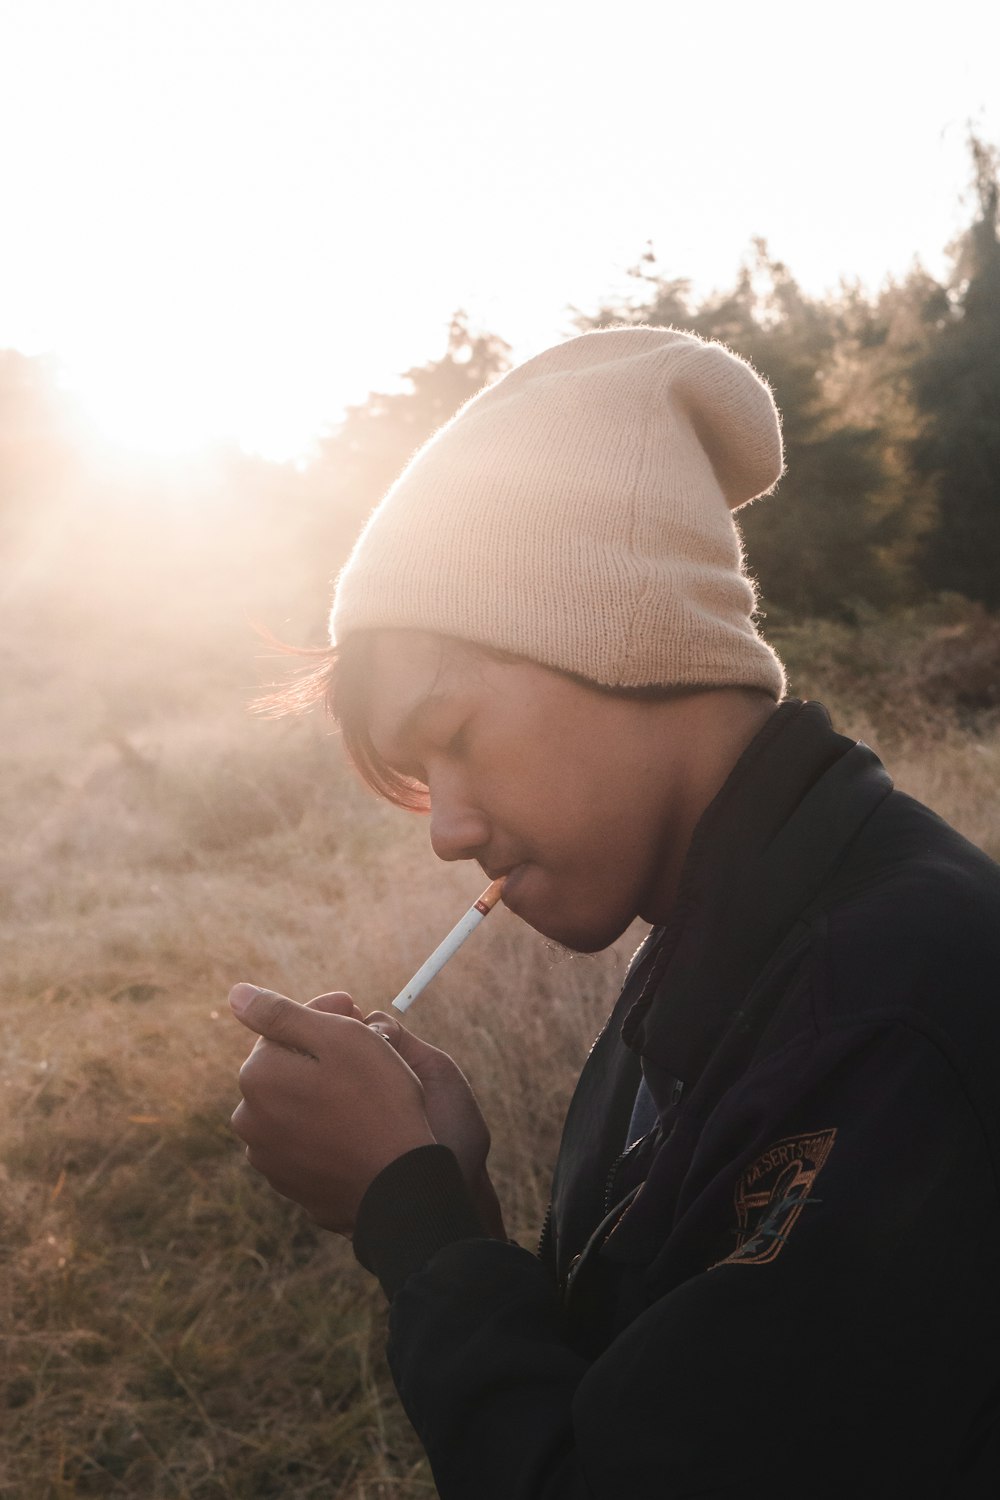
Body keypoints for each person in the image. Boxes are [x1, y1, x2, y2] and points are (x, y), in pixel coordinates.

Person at [229, 327, 1000, 1498]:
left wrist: (416, 1232)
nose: (447, 827)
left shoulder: (895, 1014)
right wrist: (461, 1211)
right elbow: (653, 1393)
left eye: (455, 738)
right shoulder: (726, 950)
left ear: (621, 635)